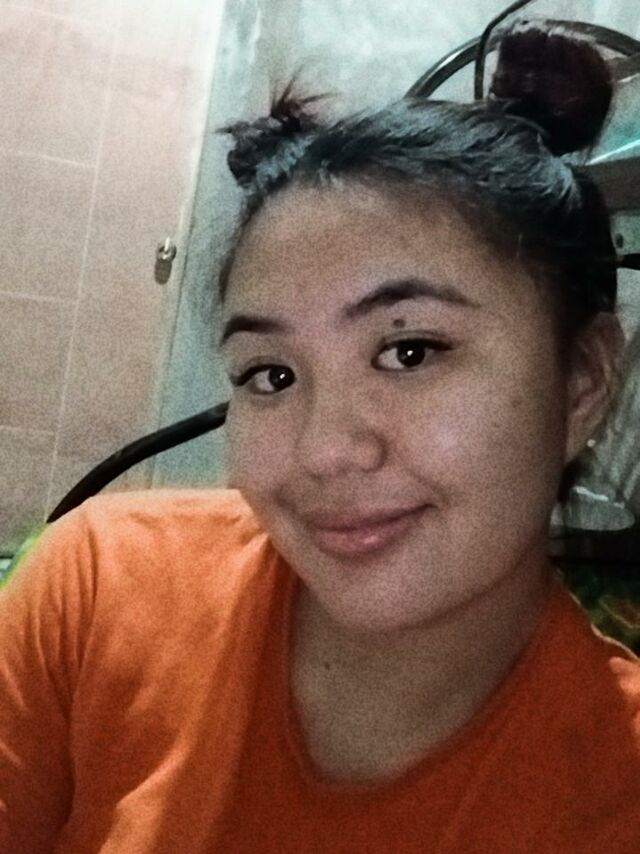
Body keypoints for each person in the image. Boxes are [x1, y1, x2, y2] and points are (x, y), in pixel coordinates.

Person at [1, 23, 640, 854]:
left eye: (411, 352)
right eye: (271, 374)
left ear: (583, 382)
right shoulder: (96, 594)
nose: (324, 452)